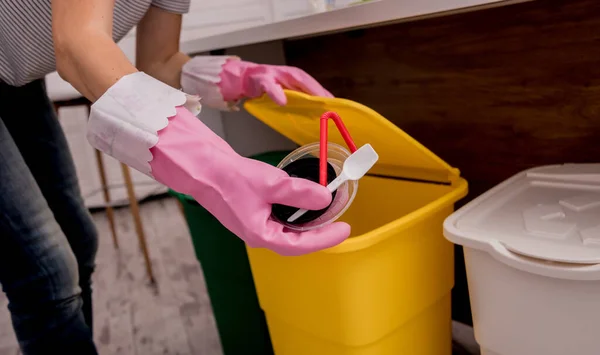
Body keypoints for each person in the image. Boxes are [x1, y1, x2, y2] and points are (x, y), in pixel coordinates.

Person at [0, 1, 352, 354]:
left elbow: (159, 62)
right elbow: (77, 46)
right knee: (47, 270)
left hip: (15, 81)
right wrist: (213, 168)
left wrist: (240, 77)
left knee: (78, 241)